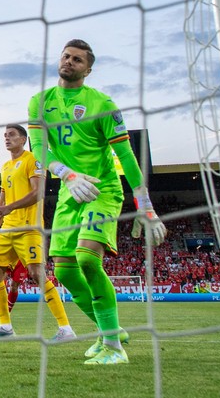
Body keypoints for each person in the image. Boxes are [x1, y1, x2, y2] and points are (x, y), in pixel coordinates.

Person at [27, 40, 166, 365]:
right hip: (69, 193)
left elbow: (126, 156)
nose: (69, 61)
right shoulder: (40, 101)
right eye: (66, 56)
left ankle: (115, 348)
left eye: (77, 60)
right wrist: (66, 174)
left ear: (88, 70)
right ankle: (110, 332)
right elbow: (38, 146)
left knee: (88, 260)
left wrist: (144, 204)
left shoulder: (102, 104)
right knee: (65, 272)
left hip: (102, 190)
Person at [0, 123, 76, 341]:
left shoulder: (33, 159)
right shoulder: (5, 166)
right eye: (4, 135)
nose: (7, 138)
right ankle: (5, 327)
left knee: (36, 274)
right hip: (7, 229)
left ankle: (66, 329)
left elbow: (38, 193)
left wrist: (10, 208)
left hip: (29, 228)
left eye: (12, 135)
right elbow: (2, 203)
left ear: (23, 139)